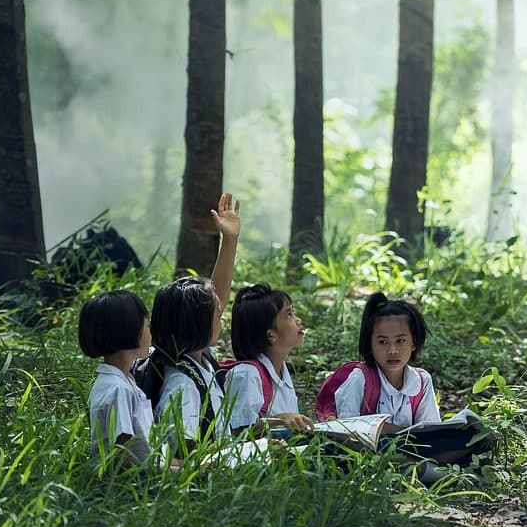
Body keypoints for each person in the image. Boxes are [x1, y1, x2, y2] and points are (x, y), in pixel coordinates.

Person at [142, 193, 241, 453]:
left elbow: (216, 297)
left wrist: (229, 241)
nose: (222, 314)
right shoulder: (182, 384)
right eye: (217, 315)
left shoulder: (199, 360)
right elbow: (184, 451)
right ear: (197, 325)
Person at [328, 293, 441, 428]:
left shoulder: (422, 381)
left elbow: (430, 430)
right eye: (383, 342)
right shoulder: (360, 379)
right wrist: (393, 431)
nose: (392, 350)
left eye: (400, 341)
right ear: (370, 345)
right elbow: (348, 429)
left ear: (414, 342)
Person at [222, 283, 313, 434]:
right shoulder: (246, 375)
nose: (298, 320)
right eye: (289, 314)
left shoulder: (281, 371)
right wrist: (278, 420)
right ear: (271, 335)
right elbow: (237, 435)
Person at [79, 290, 153, 465]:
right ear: (130, 329)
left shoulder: (124, 381)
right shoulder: (117, 388)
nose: (151, 333)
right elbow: (123, 459)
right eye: (148, 326)